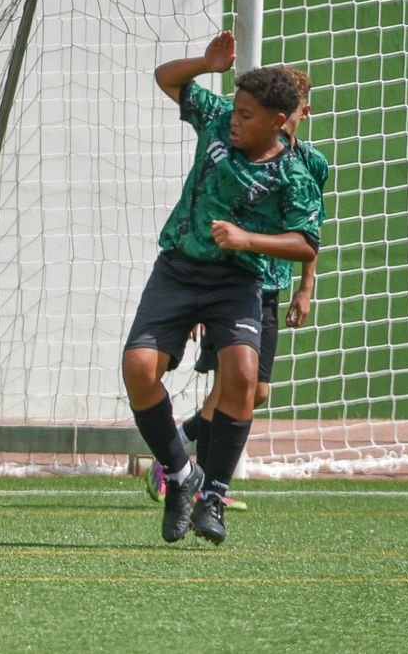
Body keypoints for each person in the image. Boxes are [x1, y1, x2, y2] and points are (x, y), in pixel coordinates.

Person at [122, 30, 324, 546]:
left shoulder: (296, 173)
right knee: (138, 368)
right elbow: (165, 78)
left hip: (239, 279)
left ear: (279, 122)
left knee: (244, 377)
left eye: (247, 116)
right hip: (178, 269)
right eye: (234, 110)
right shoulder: (214, 119)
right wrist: (206, 63)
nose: (234, 119)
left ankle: (213, 493)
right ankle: (180, 475)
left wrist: (246, 240)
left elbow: (305, 242)